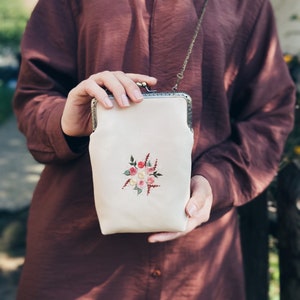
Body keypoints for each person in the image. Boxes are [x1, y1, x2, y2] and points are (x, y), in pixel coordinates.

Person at [14, 0, 295, 299]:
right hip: (78, 258)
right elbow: (34, 96)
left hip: (197, 266)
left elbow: (269, 115)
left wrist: (218, 180)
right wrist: (66, 118)